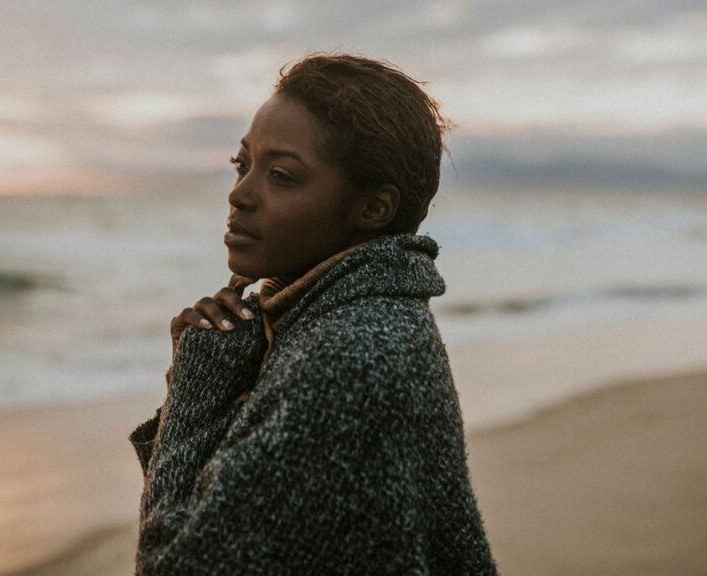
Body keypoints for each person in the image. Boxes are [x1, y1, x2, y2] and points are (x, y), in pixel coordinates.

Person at [129, 53, 497, 575]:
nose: (239, 194)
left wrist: (194, 396)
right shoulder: (348, 320)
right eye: (243, 165)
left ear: (372, 208)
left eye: (281, 175)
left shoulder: (347, 359)